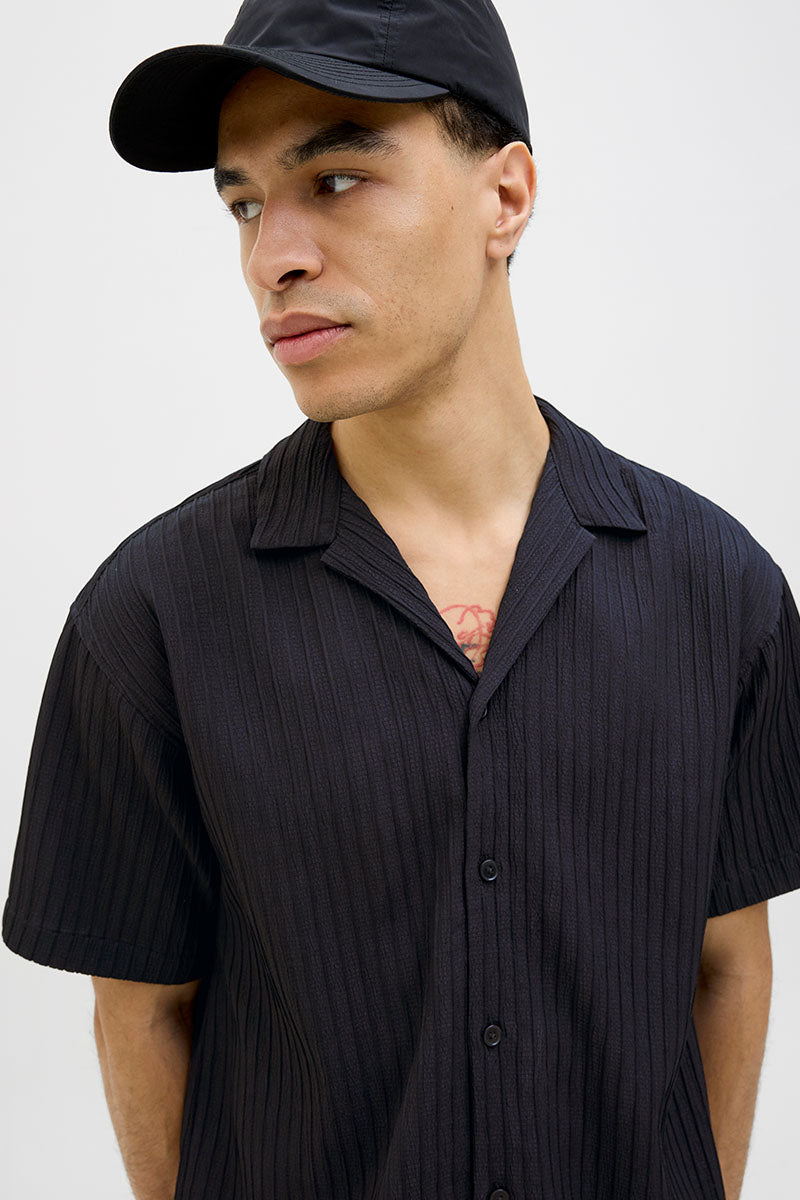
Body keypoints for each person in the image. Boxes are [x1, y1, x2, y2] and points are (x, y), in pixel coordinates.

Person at [3, 0, 799, 1198]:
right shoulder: (152, 619)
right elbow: (142, 1013)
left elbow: (726, 964)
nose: (270, 257)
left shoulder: (717, 589)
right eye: (243, 203)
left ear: (505, 196)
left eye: (334, 180)